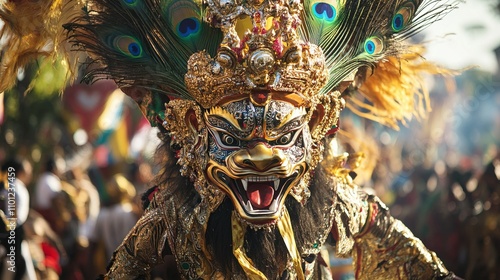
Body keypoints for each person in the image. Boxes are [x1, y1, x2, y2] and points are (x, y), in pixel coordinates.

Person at [1, 0, 463, 278]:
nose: (261, 156)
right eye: (231, 135)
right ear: (190, 132)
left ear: (318, 122)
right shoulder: (171, 219)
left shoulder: (342, 204)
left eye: (283, 134)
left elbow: (421, 267)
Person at [0, 159, 36, 280]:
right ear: (20, 171)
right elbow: (13, 218)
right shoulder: (15, 187)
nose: (30, 173)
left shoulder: (10, 185)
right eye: (27, 169)